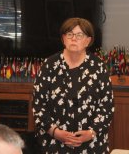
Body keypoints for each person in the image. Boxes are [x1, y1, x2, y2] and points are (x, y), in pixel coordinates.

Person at [33, 17, 114, 154]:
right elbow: (38, 105)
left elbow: (107, 106)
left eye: (79, 35)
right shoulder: (49, 65)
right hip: (54, 143)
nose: (73, 38)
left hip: (92, 145)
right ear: (63, 39)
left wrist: (91, 133)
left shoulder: (99, 67)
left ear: (88, 40)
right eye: (69, 34)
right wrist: (55, 132)